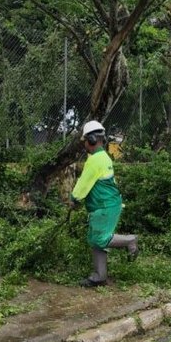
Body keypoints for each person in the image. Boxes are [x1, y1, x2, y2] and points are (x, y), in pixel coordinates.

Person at [70, 120, 138, 287]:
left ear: (92, 139)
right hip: (104, 205)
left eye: (85, 140)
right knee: (95, 239)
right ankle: (100, 276)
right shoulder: (102, 157)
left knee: (100, 239)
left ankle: (130, 241)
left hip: (105, 206)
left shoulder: (95, 160)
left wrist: (74, 199)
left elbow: (83, 183)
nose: (84, 144)